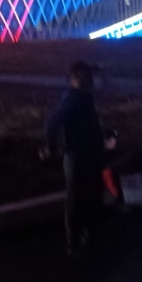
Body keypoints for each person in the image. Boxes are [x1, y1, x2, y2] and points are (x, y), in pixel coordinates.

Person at [41, 61, 104, 256]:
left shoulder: (84, 98)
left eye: (90, 75)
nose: (91, 79)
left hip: (88, 156)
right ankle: (75, 243)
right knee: (77, 200)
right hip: (78, 158)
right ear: (75, 78)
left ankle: (87, 238)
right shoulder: (73, 99)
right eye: (86, 75)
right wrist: (51, 147)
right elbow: (52, 123)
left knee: (90, 198)